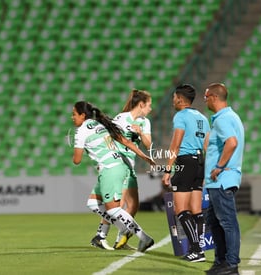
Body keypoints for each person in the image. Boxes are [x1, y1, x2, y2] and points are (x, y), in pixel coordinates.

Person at [71, 101, 155, 253]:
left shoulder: (81, 131)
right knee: (93, 203)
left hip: (110, 169)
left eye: (74, 114)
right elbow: (125, 141)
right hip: (117, 166)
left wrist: (75, 145)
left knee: (113, 209)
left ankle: (144, 237)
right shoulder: (101, 125)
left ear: (82, 115)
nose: (72, 117)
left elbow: (76, 161)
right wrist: (144, 157)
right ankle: (109, 234)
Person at [161, 84, 210, 262]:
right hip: (200, 162)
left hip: (185, 162)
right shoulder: (202, 118)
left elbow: (175, 144)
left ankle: (196, 250)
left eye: (174, 97)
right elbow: (207, 145)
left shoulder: (180, 116)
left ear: (180, 99)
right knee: (196, 210)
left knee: (180, 209)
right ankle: (200, 249)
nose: (173, 100)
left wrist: (168, 170)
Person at [203, 83, 244, 275]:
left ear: (213, 97)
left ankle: (231, 264)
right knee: (215, 222)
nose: (204, 100)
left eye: (206, 97)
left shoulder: (223, 119)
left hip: (221, 179)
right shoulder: (228, 117)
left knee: (227, 222)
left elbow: (232, 143)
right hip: (218, 181)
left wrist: (218, 167)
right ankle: (220, 262)